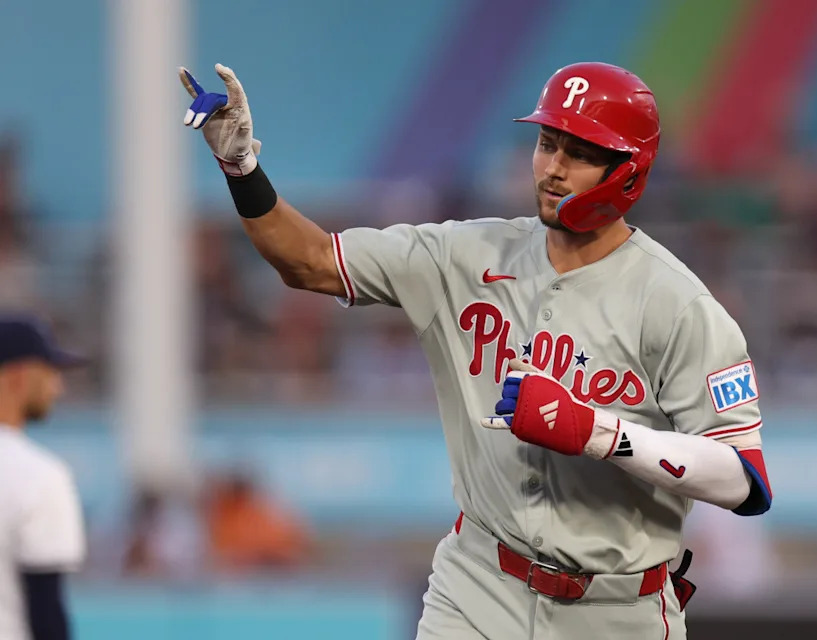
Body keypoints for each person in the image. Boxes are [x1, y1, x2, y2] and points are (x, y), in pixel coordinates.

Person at [180, 61, 773, 639]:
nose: (554, 169)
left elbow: (742, 479)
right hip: (480, 587)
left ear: (628, 171)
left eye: (581, 154)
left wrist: (599, 432)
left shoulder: (678, 303)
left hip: (617, 607)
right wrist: (241, 166)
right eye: (547, 143)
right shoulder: (463, 255)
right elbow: (308, 262)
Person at [0, 315, 86, 640]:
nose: (57, 387)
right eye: (50, 373)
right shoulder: (37, 475)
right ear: (19, 376)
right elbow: (46, 613)